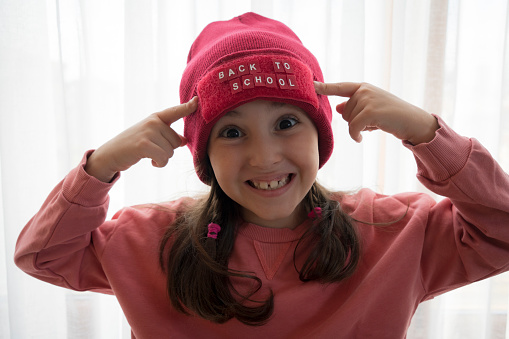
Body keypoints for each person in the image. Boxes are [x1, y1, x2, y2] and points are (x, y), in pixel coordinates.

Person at [14, 12, 509, 339]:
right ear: (201, 150)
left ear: (320, 131)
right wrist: (101, 167)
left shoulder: (396, 229)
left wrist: (427, 133)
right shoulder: (145, 240)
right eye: (231, 132)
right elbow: (42, 255)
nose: (265, 156)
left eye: (287, 123)